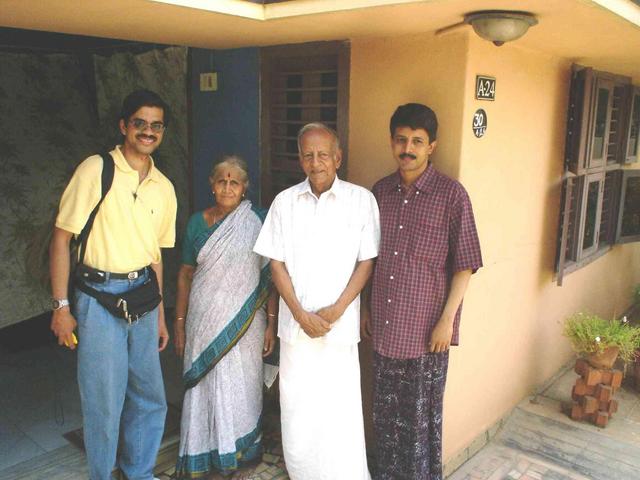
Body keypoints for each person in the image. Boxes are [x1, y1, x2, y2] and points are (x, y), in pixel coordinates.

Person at [49, 89, 177, 480]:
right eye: (140, 123)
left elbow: (155, 255)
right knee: (104, 401)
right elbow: (61, 239)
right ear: (124, 126)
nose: (148, 131)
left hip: (142, 298)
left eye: (156, 125)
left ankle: (139, 473)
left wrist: (159, 316)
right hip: (98, 299)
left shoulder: (164, 187)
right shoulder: (97, 169)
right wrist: (61, 308)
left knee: (150, 397)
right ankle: (103, 475)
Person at [254, 122, 380, 480]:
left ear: (337, 157)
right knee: (299, 409)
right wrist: (298, 313)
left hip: (339, 331)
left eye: (323, 154)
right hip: (297, 330)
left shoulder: (361, 200)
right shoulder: (285, 202)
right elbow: (275, 263)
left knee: (339, 410)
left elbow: (367, 261)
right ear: (299, 159)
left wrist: (338, 309)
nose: (316, 162)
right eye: (308, 155)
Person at [363, 103, 483, 479]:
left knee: (419, 426)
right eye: (401, 139)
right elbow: (369, 259)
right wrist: (365, 308)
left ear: (432, 146)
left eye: (417, 141)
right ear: (391, 142)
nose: (407, 148)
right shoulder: (379, 192)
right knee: (384, 421)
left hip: (426, 335)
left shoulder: (452, 196)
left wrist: (447, 322)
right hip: (384, 330)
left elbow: (465, 264)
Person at [174, 155, 278, 480]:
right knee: (203, 387)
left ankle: (241, 453)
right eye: (222, 181)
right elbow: (185, 275)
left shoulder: (259, 221)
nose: (228, 187)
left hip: (246, 325)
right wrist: (179, 324)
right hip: (203, 321)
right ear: (212, 184)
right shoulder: (196, 223)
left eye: (235, 182)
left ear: (245, 187)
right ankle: (202, 455)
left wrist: (272, 323)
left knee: (242, 387)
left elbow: (272, 275)